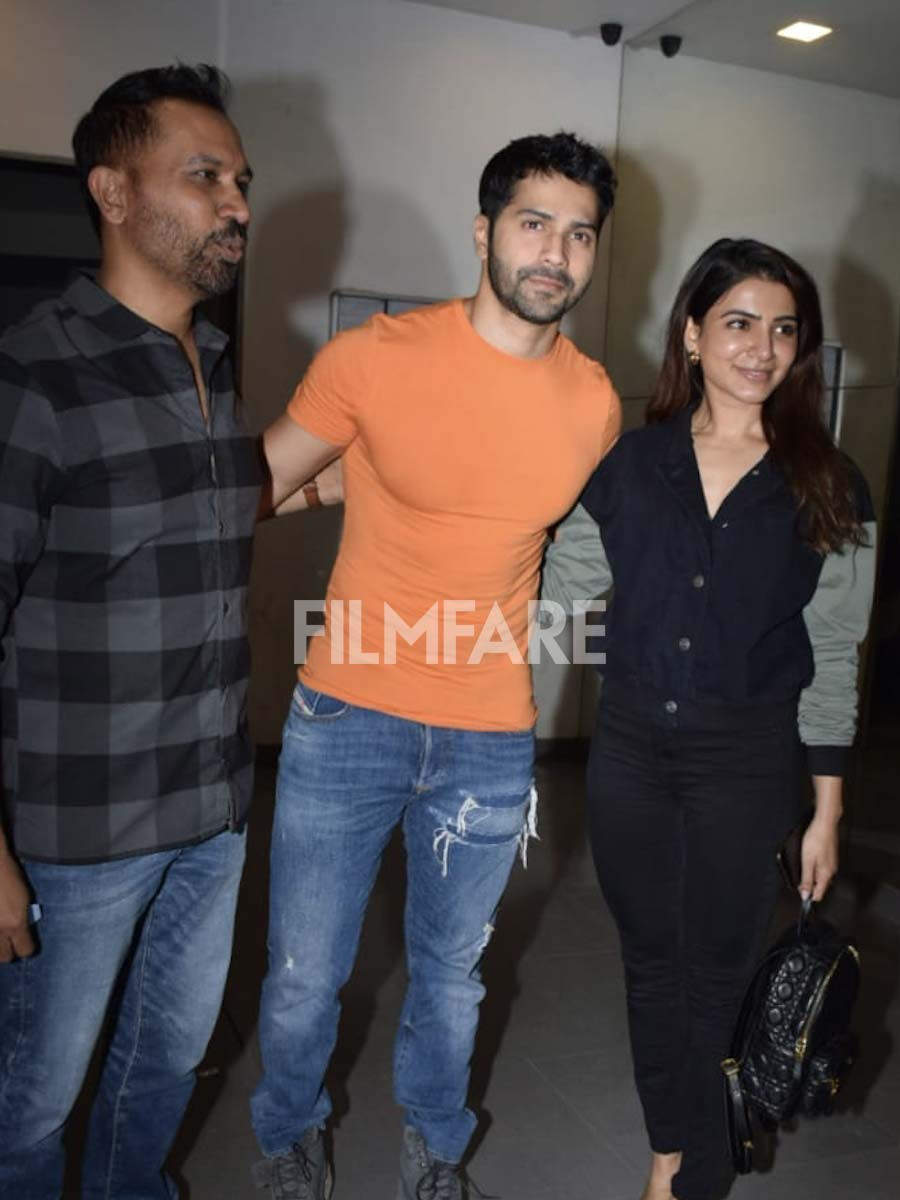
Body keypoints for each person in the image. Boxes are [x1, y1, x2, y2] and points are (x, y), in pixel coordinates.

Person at [250, 132, 620, 1200]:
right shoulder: (374, 356)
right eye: (534, 223)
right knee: (303, 978)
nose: (555, 251)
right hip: (346, 713)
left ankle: (434, 1148)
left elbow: (554, 537)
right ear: (484, 231)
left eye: (579, 232)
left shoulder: (593, 403)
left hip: (489, 733)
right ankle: (288, 1138)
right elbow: (262, 485)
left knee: (451, 980)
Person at [0, 63, 332, 1199]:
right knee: (30, 1102)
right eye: (204, 177)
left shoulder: (217, 373)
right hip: (72, 826)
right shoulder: (32, 373)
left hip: (213, 805)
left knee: (167, 1064)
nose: (237, 202)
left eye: (240, 179)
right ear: (112, 190)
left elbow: (226, 504)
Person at [542, 237, 876, 1200]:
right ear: (692, 335)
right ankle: (670, 1145)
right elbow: (561, 593)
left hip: (748, 759)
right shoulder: (633, 464)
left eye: (782, 329)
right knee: (651, 966)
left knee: (720, 971)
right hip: (633, 752)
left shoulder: (831, 484)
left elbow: (830, 660)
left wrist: (828, 810)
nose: (761, 347)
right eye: (738, 323)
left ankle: (694, 1175)